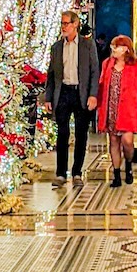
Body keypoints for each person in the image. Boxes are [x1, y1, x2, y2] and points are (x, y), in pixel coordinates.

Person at [43, 10, 99, 186]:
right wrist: (48, 98)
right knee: (62, 133)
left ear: (75, 24)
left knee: (81, 134)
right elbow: (51, 75)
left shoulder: (87, 45)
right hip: (63, 93)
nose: (63, 27)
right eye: (62, 23)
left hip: (81, 93)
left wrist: (93, 95)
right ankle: (61, 173)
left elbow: (94, 71)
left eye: (66, 23)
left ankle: (77, 173)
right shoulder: (56, 47)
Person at [97, 34, 137, 187]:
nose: (113, 49)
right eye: (113, 46)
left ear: (126, 49)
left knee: (127, 141)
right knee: (114, 141)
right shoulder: (107, 64)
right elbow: (101, 85)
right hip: (111, 109)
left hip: (128, 110)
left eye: (117, 47)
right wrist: (98, 103)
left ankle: (128, 164)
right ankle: (116, 175)